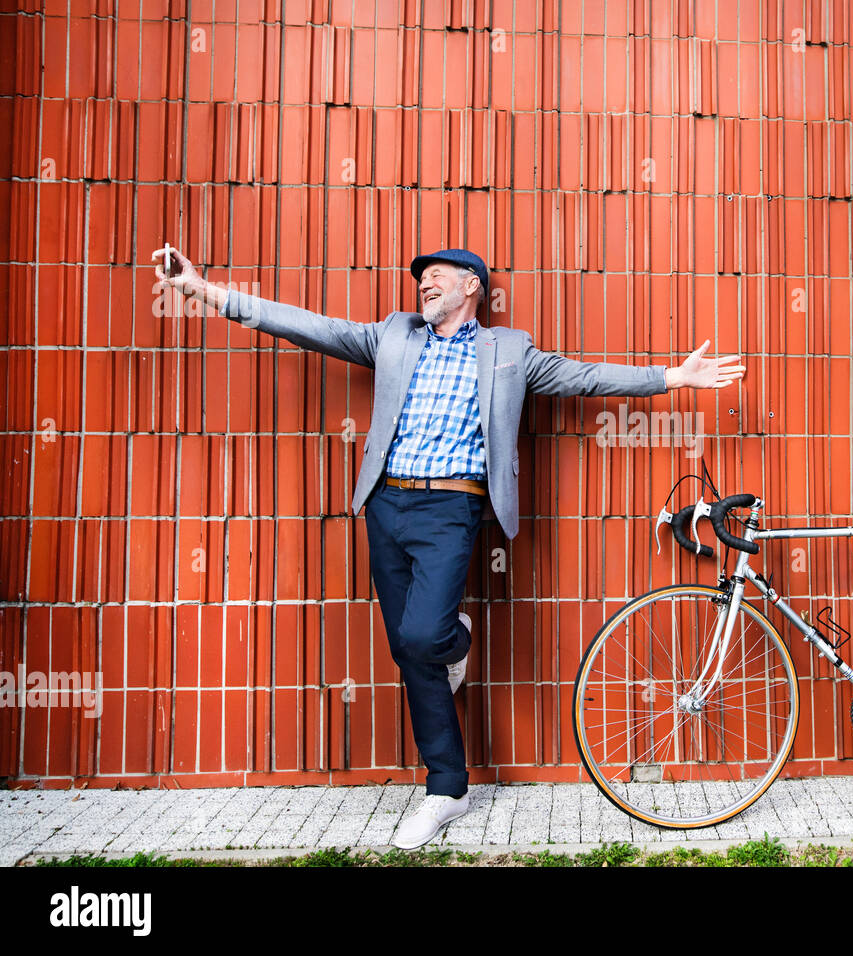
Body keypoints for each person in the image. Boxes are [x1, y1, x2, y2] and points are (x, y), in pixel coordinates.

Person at [150, 244, 745, 848]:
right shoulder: (394, 336)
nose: (423, 286)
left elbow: (585, 376)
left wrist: (674, 376)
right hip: (385, 504)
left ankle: (453, 639)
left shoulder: (507, 350)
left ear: (471, 287)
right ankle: (447, 787)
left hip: (451, 509)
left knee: (423, 638)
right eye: (419, 280)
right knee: (411, 653)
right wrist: (203, 290)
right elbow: (306, 325)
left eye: (435, 278)